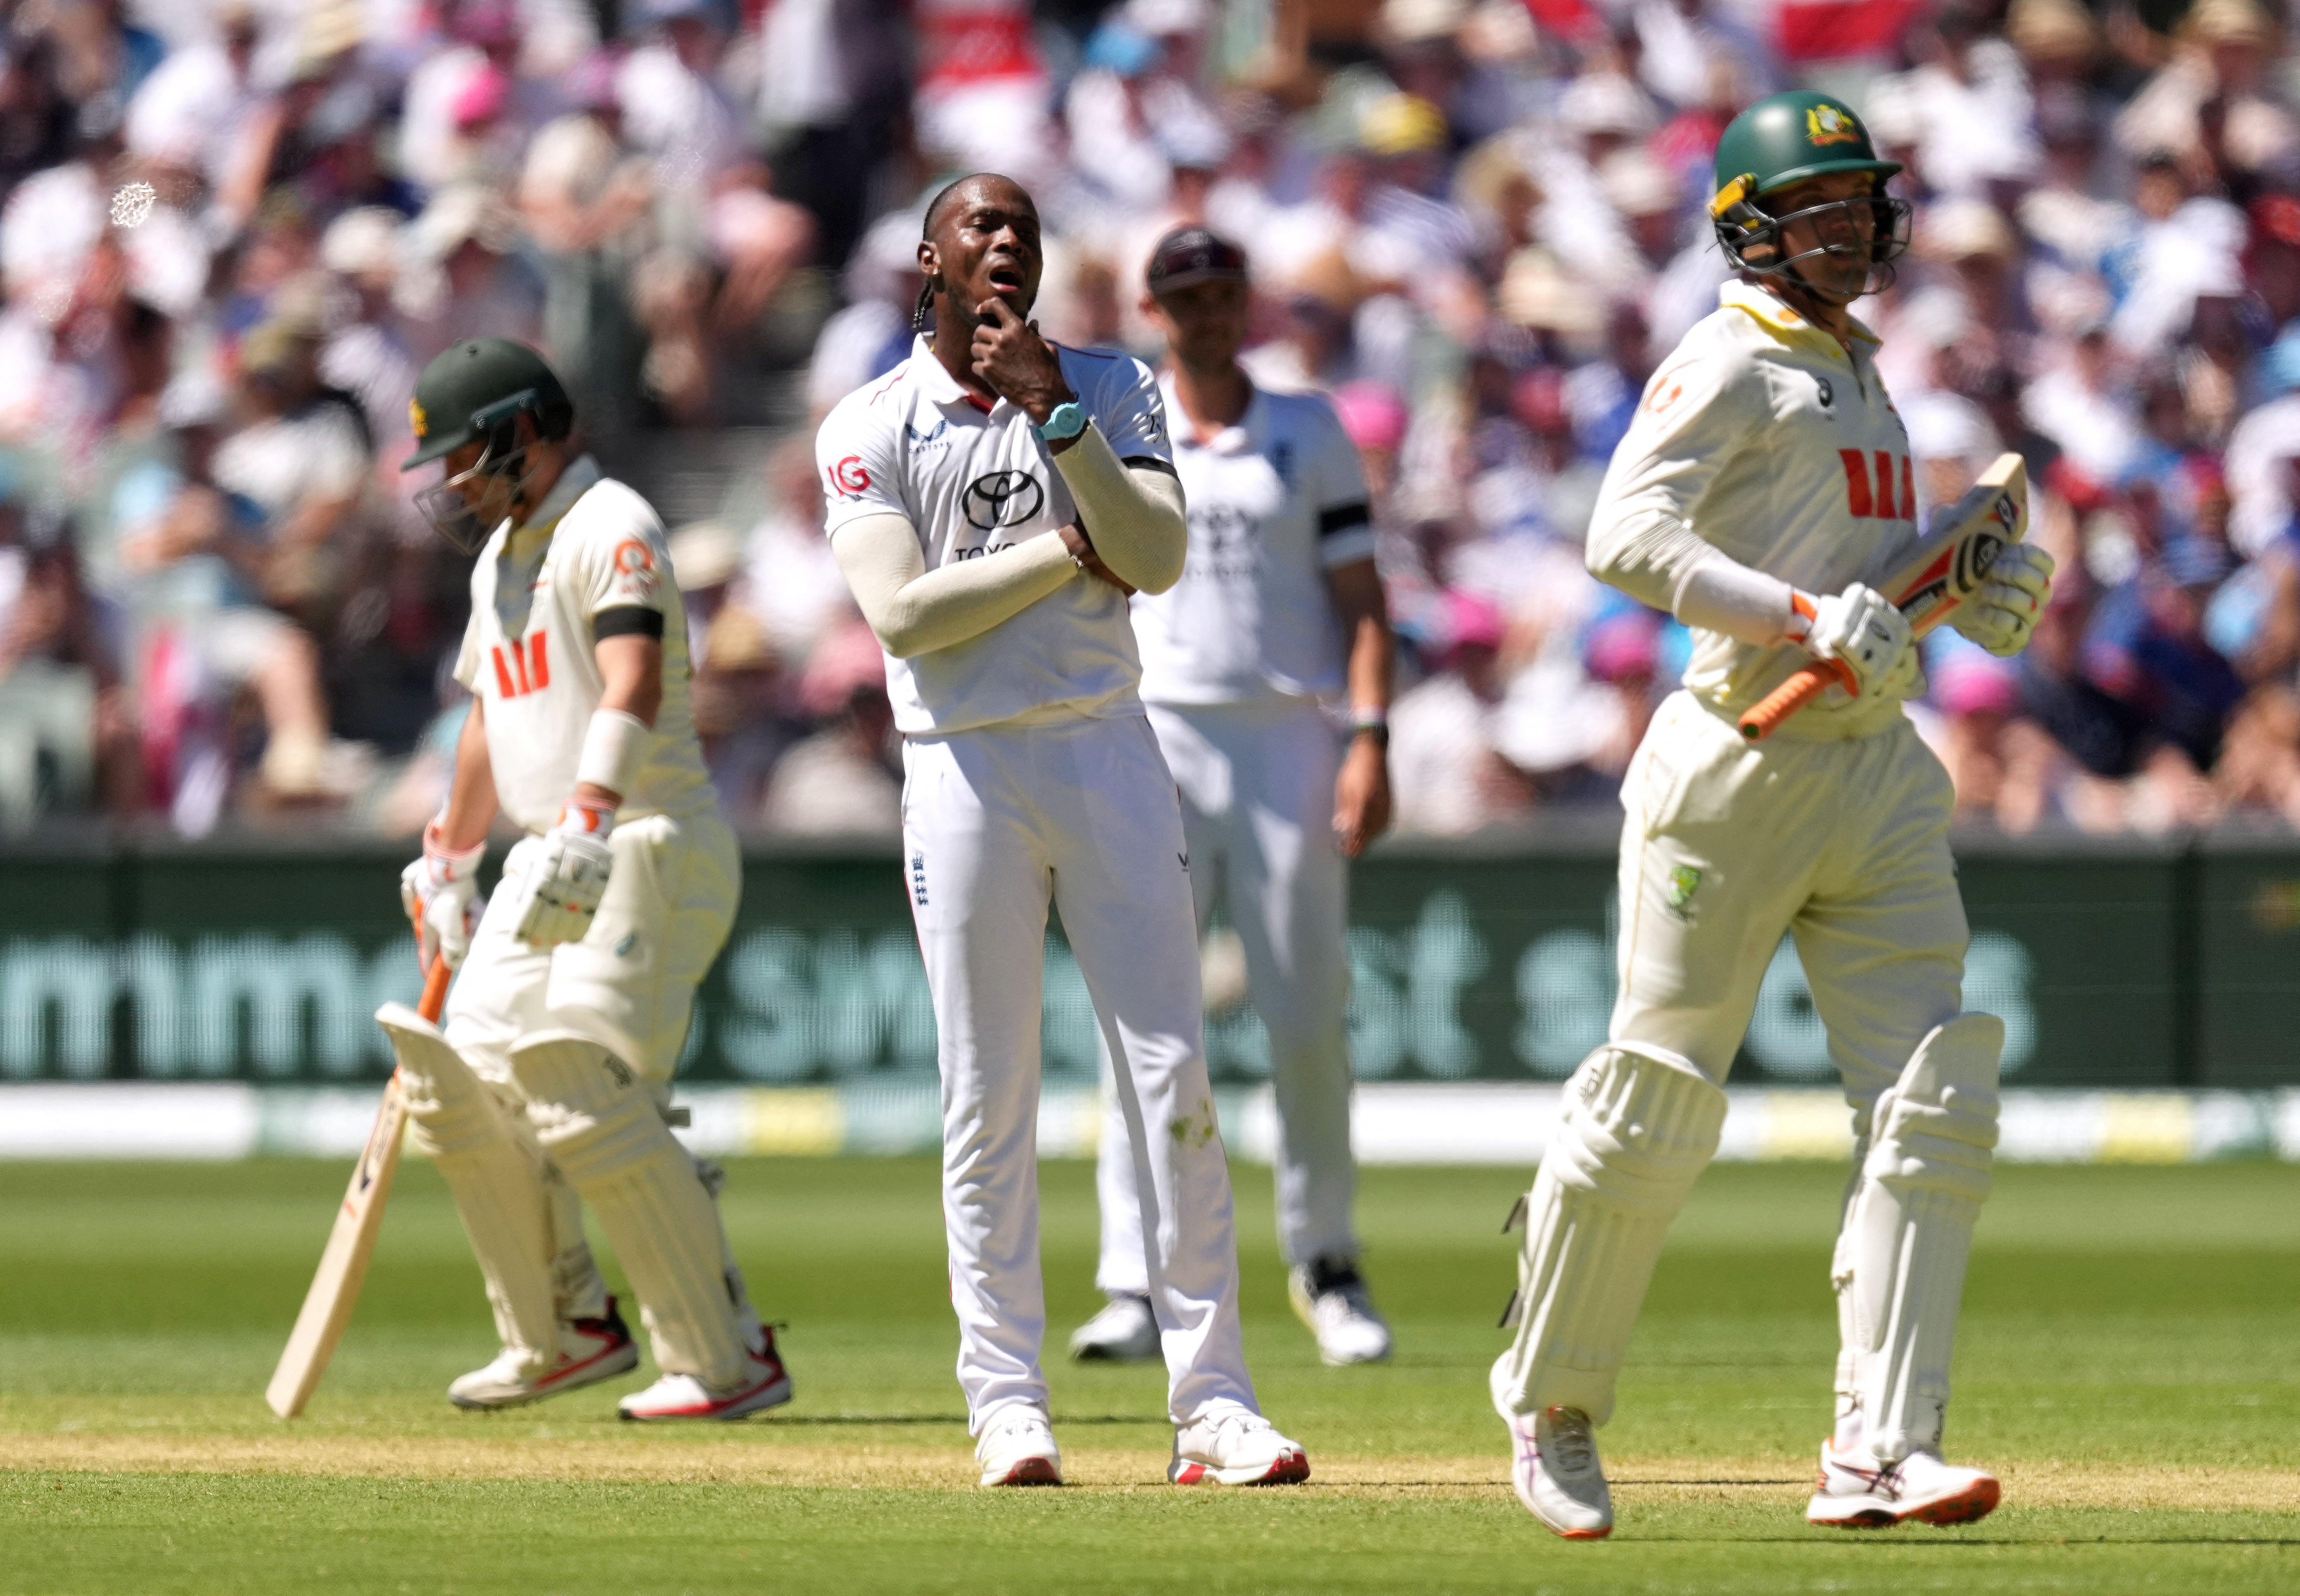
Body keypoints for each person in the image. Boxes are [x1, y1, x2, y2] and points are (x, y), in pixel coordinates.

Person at [1489, 93, 2057, 1540]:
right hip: (1736, 770)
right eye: (1821, 205)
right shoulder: (1728, 359)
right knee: (1655, 1104)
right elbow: (1625, 533)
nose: (1854, 225)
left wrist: (1966, 597)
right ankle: (1550, 1404)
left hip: (1874, 772)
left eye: (1863, 200)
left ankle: (1878, 1451)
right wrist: (1808, 614)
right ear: (1750, 227)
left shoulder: (1861, 371)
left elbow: (1887, 587)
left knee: (1935, 1097)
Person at [814, 173, 1308, 1490]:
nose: (1009, 242)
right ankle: (1008, 1404)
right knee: (991, 1099)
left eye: (1026, 227)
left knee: (1172, 1079)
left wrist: (1062, 415)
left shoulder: (1114, 384)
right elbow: (906, 618)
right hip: (960, 769)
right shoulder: (869, 422)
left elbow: (1154, 557)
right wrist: (1060, 553)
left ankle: (1212, 1404)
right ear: (929, 255)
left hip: (1106, 743)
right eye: (982, 225)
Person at [393, 337, 792, 1422]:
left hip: (646, 838)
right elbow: (493, 717)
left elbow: (633, 678)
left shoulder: (611, 523)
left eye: (467, 457)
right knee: (458, 1082)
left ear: (524, 431)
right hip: (547, 854)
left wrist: (588, 817)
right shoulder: (500, 558)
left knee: (582, 1089)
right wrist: (449, 853)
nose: (455, 485)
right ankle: (563, 1329)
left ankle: (727, 1354)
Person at [1065, 226, 1396, 1369]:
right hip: (1153, 730)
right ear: (1155, 310)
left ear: (1244, 304)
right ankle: (1132, 1279)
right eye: (1185, 297)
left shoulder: (1308, 427)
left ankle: (1327, 1260)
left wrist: (1370, 740)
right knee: (1147, 1012)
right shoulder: (1124, 422)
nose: (1205, 314)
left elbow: (1362, 597)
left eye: (1222, 293)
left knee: (1307, 1009)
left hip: (1287, 735)